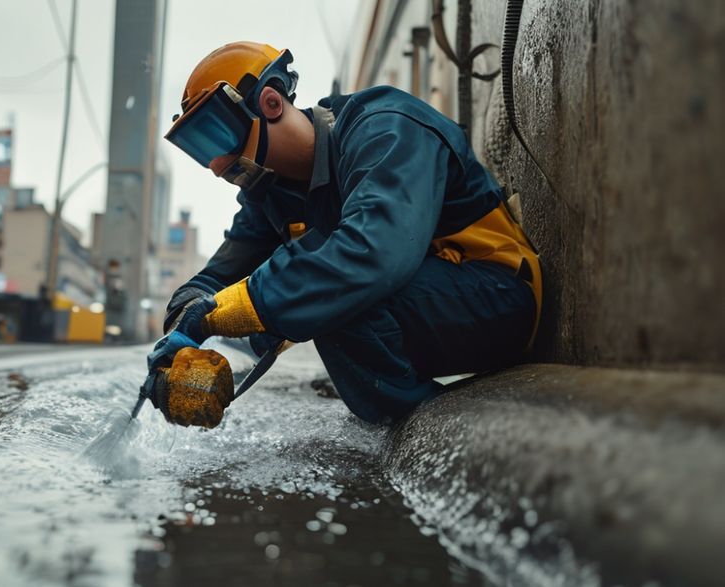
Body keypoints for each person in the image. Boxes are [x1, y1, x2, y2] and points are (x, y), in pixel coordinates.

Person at [147, 41, 541, 424]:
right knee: (316, 299)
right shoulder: (270, 194)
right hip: (428, 308)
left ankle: (432, 425)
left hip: (500, 297)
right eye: (201, 149)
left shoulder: (386, 127)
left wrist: (241, 307)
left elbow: (376, 253)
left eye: (218, 136)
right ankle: (403, 416)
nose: (217, 166)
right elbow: (218, 278)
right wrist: (180, 339)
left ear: (270, 102)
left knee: (335, 301)